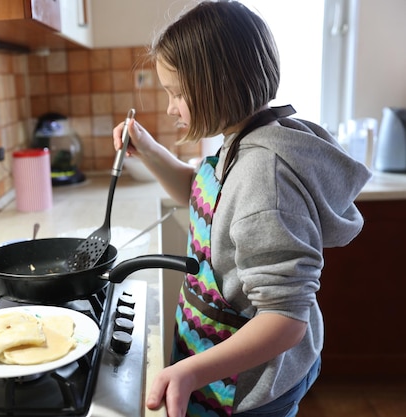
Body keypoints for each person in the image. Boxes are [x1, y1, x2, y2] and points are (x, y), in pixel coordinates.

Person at [112, 1, 372, 416]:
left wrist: (192, 372)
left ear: (217, 85)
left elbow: (285, 319)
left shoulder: (262, 180)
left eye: (177, 93)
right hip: (229, 356)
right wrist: (147, 146)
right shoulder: (242, 138)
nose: (170, 107)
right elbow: (200, 193)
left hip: (252, 383)